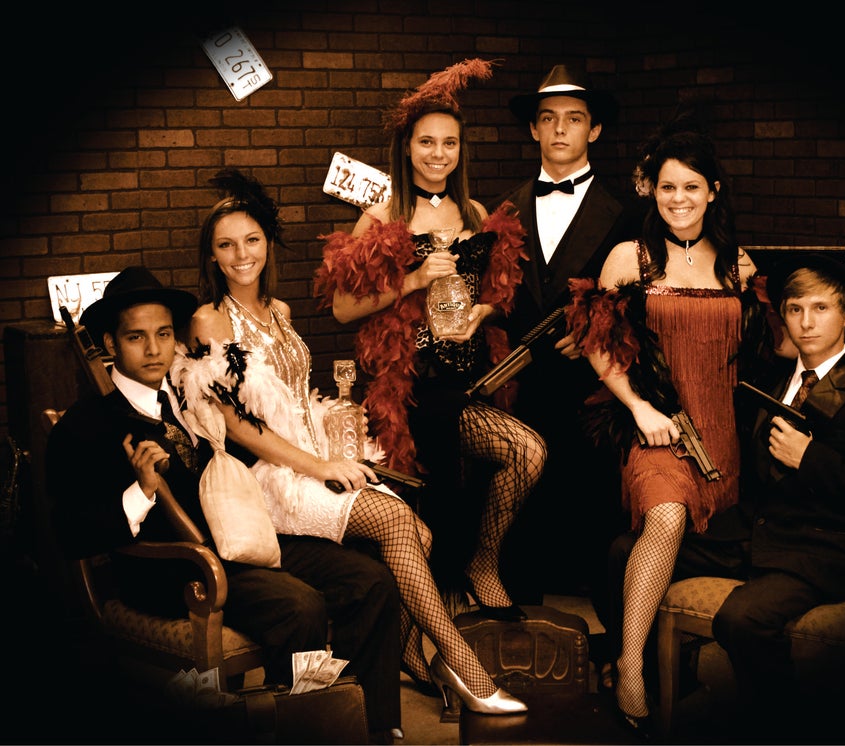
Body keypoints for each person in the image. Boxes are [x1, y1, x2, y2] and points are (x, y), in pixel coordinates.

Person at [184, 166, 528, 720]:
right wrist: (318, 466)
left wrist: (335, 446)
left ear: (268, 245)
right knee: (394, 521)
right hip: (268, 480)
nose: (241, 255)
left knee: (419, 532)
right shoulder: (211, 321)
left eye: (251, 240)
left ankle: (411, 658)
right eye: (226, 245)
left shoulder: (279, 313)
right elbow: (240, 426)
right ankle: (464, 667)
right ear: (212, 256)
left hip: (309, 461)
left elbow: (295, 403)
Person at [45, 266, 404, 743]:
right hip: (173, 570)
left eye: (163, 334)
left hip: (239, 538)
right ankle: (302, 734)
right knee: (298, 607)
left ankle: (362, 727)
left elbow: (245, 449)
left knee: (369, 580)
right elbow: (71, 534)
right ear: (111, 343)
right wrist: (141, 491)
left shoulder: (191, 390)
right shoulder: (86, 425)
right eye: (136, 337)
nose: (153, 349)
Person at [316, 59, 547, 629]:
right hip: (414, 388)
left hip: (471, 377)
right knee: (516, 455)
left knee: (516, 461)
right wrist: (414, 279)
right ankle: (447, 604)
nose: (438, 154)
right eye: (426, 142)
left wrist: (482, 313)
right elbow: (342, 307)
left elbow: (491, 294)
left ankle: (481, 566)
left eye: (449, 143)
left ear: (461, 150)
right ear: (408, 147)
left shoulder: (473, 212)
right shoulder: (383, 214)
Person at [565, 111, 769, 737]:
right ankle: (630, 668)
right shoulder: (630, 258)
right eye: (667, 186)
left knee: (687, 538)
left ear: (713, 191)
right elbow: (597, 342)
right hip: (654, 428)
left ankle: (673, 663)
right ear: (651, 190)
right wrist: (639, 407)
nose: (678, 199)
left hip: (720, 438)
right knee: (667, 516)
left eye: (691, 187)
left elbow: (771, 347)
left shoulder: (737, 265)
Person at [672, 252, 845, 736]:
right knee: (626, 552)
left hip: (827, 549)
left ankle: (785, 729)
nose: (806, 322)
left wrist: (809, 458)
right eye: (795, 309)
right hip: (761, 532)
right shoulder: (772, 377)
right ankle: (666, 687)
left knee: (740, 619)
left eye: (821, 308)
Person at [493, 63, 639, 611]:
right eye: (548, 118)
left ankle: (609, 634)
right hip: (522, 390)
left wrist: (600, 330)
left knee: (594, 518)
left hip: (593, 392)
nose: (560, 129)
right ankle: (521, 626)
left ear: (593, 130)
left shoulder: (627, 212)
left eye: (574, 119)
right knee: (524, 515)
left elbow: (647, 298)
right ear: (534, 128)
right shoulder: (504, 209)